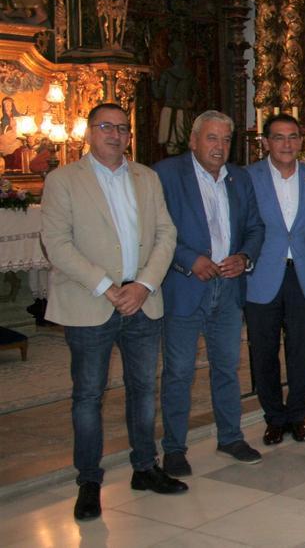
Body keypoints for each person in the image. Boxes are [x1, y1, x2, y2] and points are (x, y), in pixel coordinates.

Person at [41, 103, 185, 521]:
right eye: (106, 127)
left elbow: (165, 233)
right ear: (89, 132)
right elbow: (57, 243)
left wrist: (143, 284)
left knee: (143, 389)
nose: (116, 135)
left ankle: (145, 466)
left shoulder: (146, 177)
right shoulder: (64, 180)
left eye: (123, 129)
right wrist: (108, 287)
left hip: (142, 299)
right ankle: (89, 480)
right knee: (88, 395)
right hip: (91, 302)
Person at [155, 110, 265, 477]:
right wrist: (190, 260)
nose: (219, 147)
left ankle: (230, 436)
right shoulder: (167, 175)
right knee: (179, 372)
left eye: (225, 139)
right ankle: (173, 448)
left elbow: (255, 227)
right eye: (211, 138)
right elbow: (159, 230)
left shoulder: (239, 178)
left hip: (228, 288)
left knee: (227, 368)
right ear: (194, 140)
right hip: (187, 287)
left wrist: (245, 257)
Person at [245, 114, 305, 446]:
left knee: (300, 351)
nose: (287, 144)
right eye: (279, 137)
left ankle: (297, 415)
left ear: (301, 142)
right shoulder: (248, 178)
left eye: (293, 137)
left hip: (303, 274)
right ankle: (273, 418)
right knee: (263, 351)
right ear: (265, 142)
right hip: (263, 274)